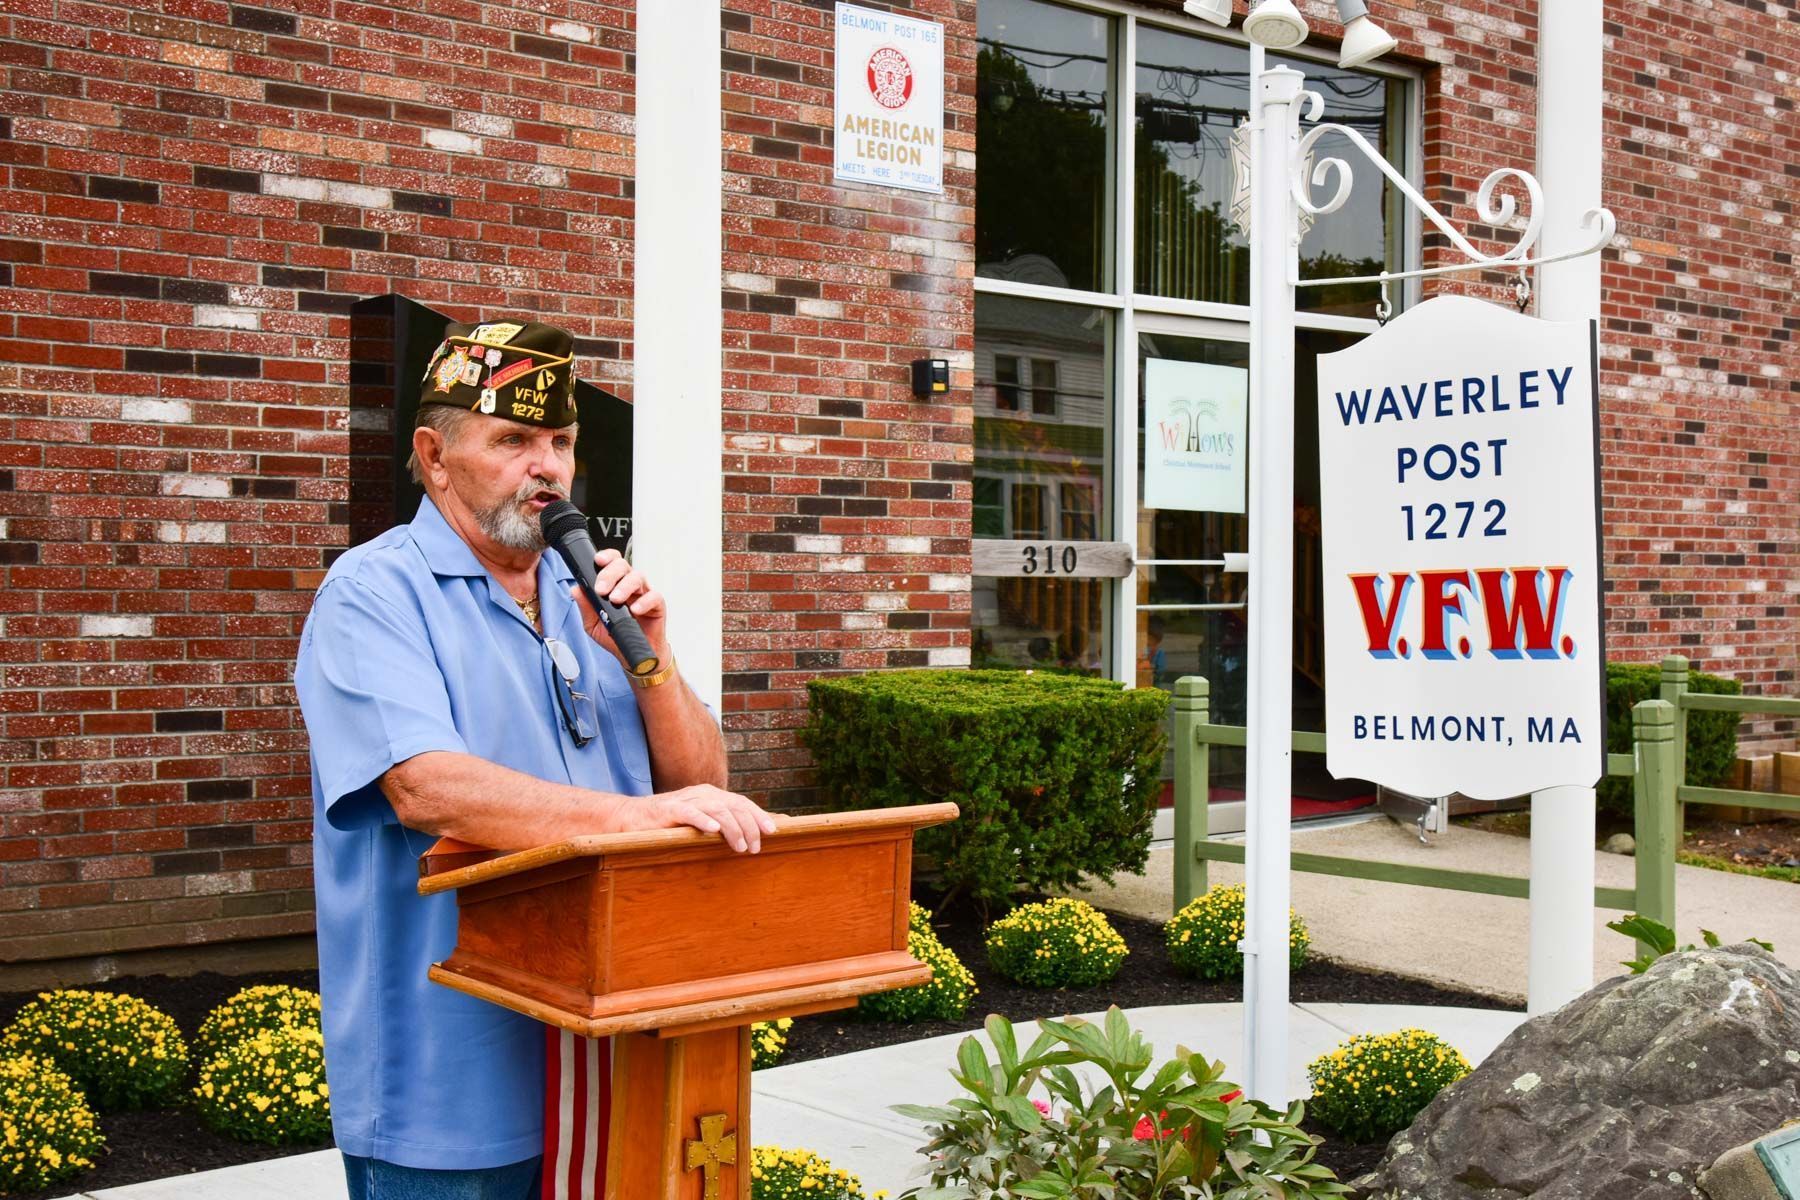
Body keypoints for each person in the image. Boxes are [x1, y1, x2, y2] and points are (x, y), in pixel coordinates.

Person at [294, 318, 775, 1200]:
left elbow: (703, 786)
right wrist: (638, 818)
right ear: (435, 457)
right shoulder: (371, 593)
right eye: (513, 441)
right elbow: (424, 785)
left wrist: (654, 662)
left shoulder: (586, 588)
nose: (546, 466)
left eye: (560, 441)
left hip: (611, 1058)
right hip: (449, 1079)